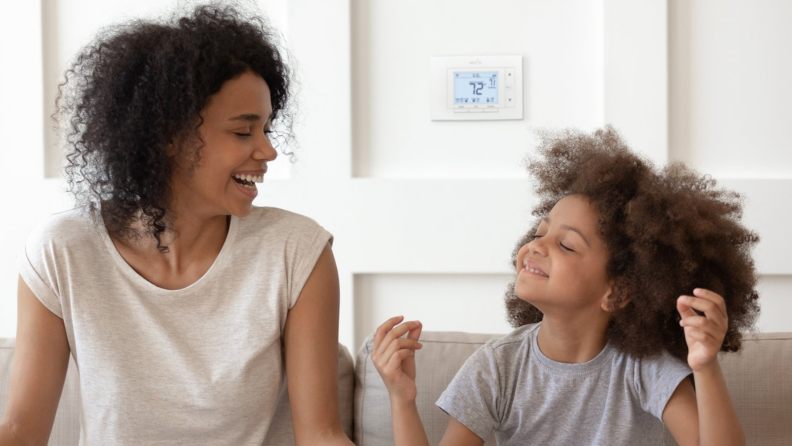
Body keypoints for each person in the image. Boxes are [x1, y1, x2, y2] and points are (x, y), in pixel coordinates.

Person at [0, 4, 353, 446]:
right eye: (244, 132)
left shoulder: (296, 250)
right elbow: (20, 432)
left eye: (267, 130)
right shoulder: (63, 251)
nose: (268, 152)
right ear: (168, 135)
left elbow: (321, 435)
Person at [372, 126, 759, 446]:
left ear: (618, 292)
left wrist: (705, 368)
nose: (535, 246)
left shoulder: (645, 370)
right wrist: (402, 400)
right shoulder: (497, 366)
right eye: (540, 232)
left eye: (566, 244)